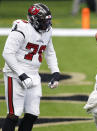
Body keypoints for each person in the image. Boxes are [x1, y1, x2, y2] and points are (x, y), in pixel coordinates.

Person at [2, 3, 60, 131]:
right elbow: (7, 53)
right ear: (33, 20)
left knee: (33, 113)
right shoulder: (22, 29)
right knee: (14, 113)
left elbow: (49, 52)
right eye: (43, 21)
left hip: (33, 73)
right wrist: (21, 74)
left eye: (48, 21)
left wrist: (55, 72)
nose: (46, 24)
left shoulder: (48, 31)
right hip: (15, 73)